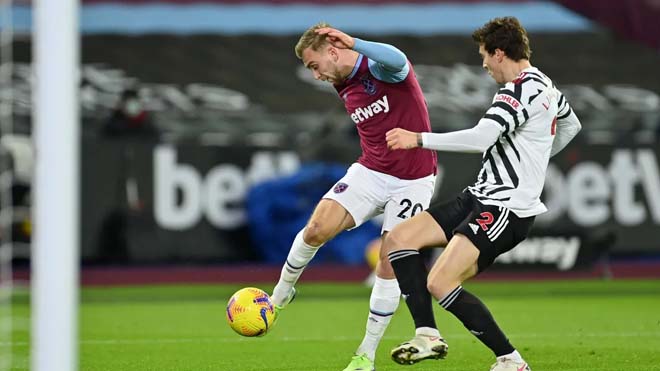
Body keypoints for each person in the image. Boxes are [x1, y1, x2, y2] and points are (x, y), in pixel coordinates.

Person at [382, 16, 582, 371]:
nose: (484, 64)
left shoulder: (520, 89)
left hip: (506, 207)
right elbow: (572, 124)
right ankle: (427, 334)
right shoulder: (545, 86)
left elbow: (480, 139)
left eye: (485, 56)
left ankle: (511, 360)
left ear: (500, 53)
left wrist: (418, 139)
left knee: (440, 281)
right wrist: (537, 159)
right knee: (399, 239)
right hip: (479, 196)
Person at [270, 22, 438, 371]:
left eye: (314, 65)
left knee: (390, 262)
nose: (316, 76)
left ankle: (366, 355)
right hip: (371, 171)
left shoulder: (377, 68)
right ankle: (281, 294)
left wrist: (355, 43)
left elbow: (398, 59)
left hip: (413, 180)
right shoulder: (341, 82)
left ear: (333, 51)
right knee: (316, 228)